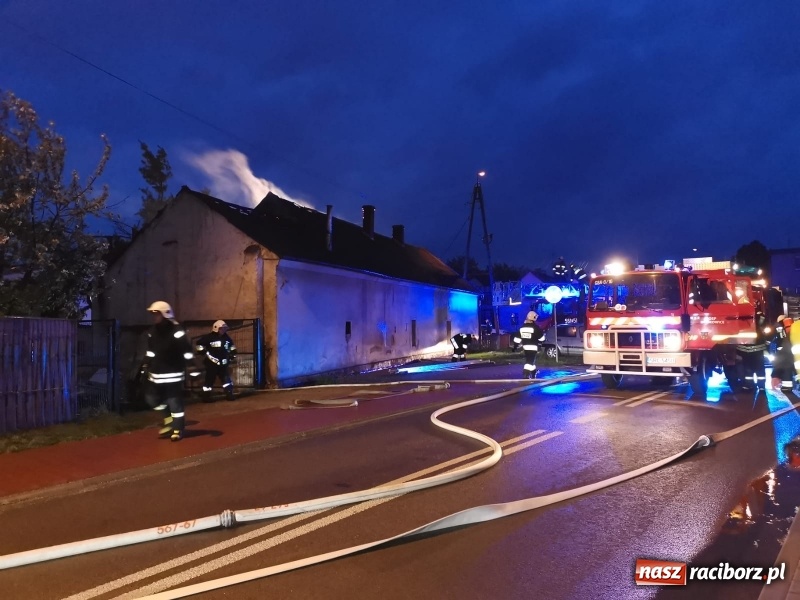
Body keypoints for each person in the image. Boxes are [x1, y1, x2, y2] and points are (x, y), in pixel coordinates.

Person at [142, 301, 199, 441]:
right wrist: (145, 365)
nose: (154, 317)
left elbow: (186, 350)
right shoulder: (152, 332)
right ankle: (169, 420)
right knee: (152, 399)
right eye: (153, 314)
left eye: (157, 314)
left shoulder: (177, 330)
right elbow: (151, 351)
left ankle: (178, 429)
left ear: (165, 314)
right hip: (156, 374)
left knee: (174, 402)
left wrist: (192, 367)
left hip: (173, 374)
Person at [195, 320, 238, 402]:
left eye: (225, 328)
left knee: (226, 379)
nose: (224, 330)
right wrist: (202, 351)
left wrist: (233, 353)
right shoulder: (209, 337)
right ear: (216, 328)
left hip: (223, 363)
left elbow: (231, 346)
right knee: (209, 380)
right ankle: (206, 397)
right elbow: (199, 344)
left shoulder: (226, 337)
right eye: (222, 328)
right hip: (211, 363)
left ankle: (229, 394)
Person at [513, 310, 545, 379]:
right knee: (530, 361)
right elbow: (542, 338)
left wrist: (515, 346)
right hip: (533, 347)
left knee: (530, 360)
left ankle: (534, 371)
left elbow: (517, 338)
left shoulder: (522, 327)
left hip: (525, 347)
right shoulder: (535, 327)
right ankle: (526, 373)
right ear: (534, 318)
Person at [771, 315, 797, 395]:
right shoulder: (793, 328)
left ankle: (787, 386)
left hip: (783, 349)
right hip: (785, 349)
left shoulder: (795, 330)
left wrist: (776, 374)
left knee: (787, 366)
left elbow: (785, 356)